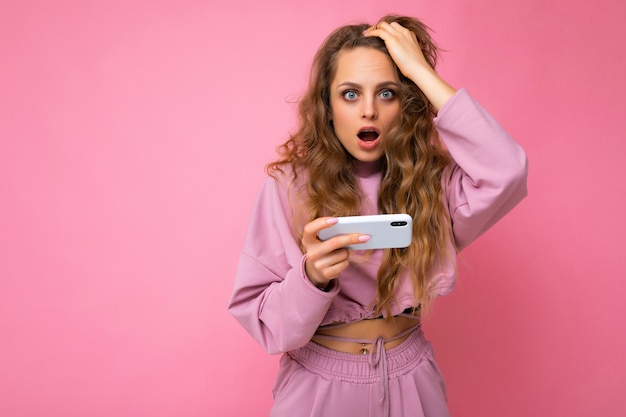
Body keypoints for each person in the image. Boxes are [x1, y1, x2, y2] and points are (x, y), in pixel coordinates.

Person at [228, 14, 528, 417]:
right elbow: (266, 325)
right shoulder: (288, 187)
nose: (368, 110)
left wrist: (418, 70)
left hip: (411, 376)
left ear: (406, 104)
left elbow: (506, 170)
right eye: (350, 94)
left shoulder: (432, 184)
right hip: (319, 384)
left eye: (386, 93)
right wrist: (312, 277)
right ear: (327, 107)